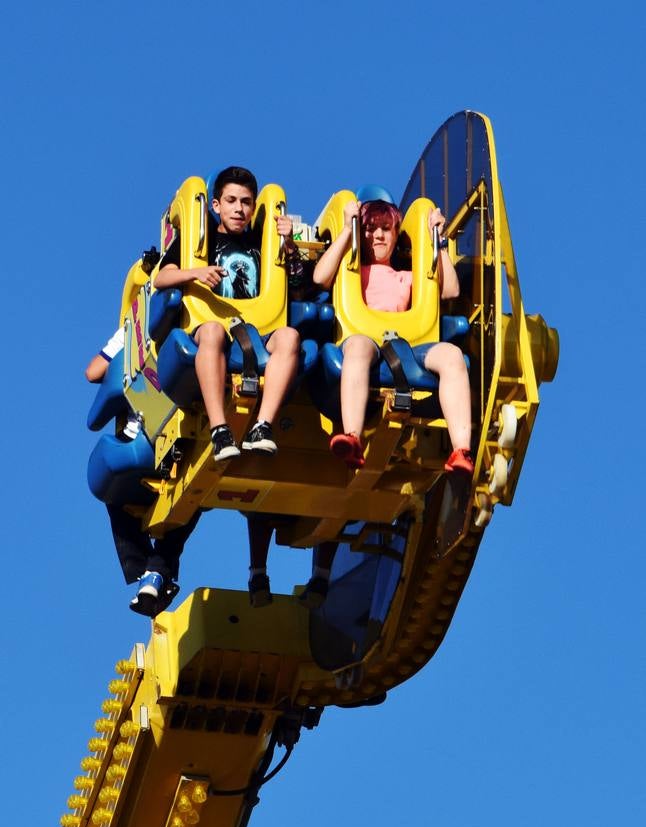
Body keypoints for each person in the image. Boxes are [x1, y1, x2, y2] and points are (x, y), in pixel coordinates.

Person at [313, 198, 474, 473]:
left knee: (452, 355)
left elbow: (451, 291)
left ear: (396, 234)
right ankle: (353, 435)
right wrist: (346, 231)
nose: (377, 235)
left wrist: (440, 241)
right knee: (358, 348)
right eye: (370, 228)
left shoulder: (406, 277)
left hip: (408, 344)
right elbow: (319, 278)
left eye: (386, 229)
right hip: (366, 339)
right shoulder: (349, 269)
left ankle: (461, 449)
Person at [154, 165, 303, 462]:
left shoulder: (262, 243)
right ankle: (220, 429)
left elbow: (298, 286)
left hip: (258, 326)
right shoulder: (201, 238)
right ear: (216, 205)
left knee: (290, 336)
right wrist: (196, 272)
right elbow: (161, 278)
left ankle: (263, 426)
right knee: (212, 331)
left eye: (246, 202)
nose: (238, 209)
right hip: (213, 323)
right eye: (232, 201)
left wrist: (290, 244)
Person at [86, 330, 200, 617]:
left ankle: (152, 574)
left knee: (184, 487)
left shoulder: (146, 324)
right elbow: (93, 371)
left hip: (163, 433)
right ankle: (154, 574)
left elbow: (94, 371)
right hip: (160, 433)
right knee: (185, 491)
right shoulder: (139, 325)